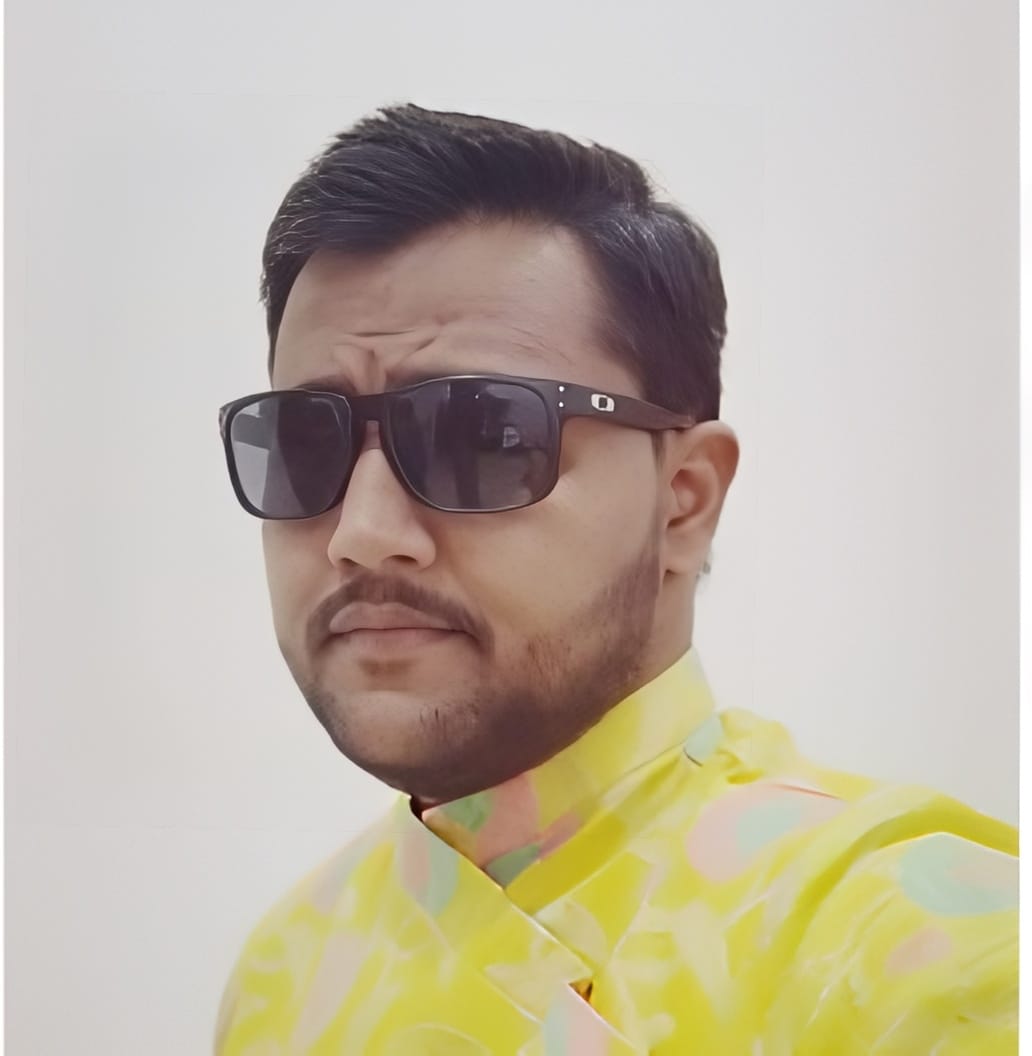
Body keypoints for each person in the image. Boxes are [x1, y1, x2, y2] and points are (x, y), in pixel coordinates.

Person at [213, 104, 1017, 1055]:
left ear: (684, 499)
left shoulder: (923, 956)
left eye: (485, 437)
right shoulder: (285, 976)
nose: (364, 533)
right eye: (304, 443)